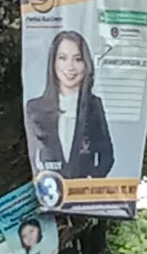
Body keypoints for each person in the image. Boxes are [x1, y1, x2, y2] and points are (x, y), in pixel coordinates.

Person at [25, 31, 114, 179]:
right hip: (47, 195)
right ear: (53, 62)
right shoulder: (35, 109)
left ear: (86, 64)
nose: (70, 67)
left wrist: (90, 184)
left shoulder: (94, 105)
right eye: (63, 58)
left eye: (78, 59)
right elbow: (32, 156)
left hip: (82, 197)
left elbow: (107, 156)